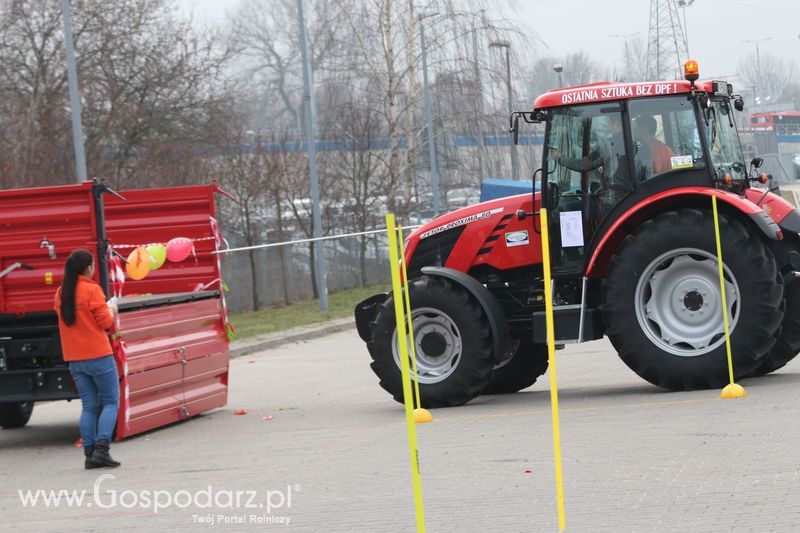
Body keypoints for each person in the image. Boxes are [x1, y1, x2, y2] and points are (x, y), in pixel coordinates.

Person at [55, 249, 121, 469]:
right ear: (88, 268)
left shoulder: (61, 292)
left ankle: (89, 453)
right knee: (111, 402)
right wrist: (112, 308)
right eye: (92, 265)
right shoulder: (92, 290)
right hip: (99, 356)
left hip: (75, 359)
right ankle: (102, 450)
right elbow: (105, 323)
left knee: (89, 406)